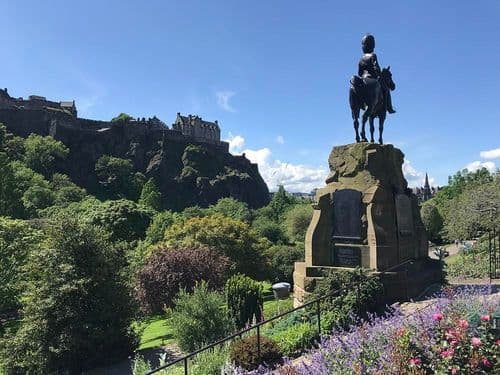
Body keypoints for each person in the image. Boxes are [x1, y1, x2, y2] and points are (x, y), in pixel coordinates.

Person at [358, 34, 396, 114]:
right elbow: (376, 67)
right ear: (372, 46)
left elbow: (359, 72)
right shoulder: (373, 55)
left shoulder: (361, 58)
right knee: (386, 89)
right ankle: (389, 107)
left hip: (363, 79)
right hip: (372, 78)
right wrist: (379, 74)